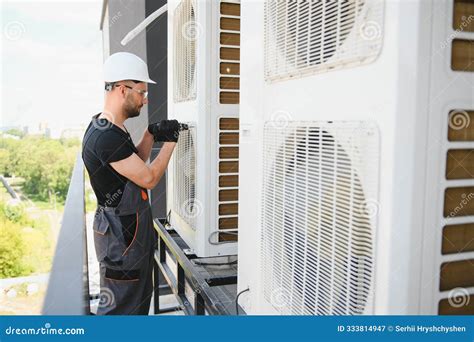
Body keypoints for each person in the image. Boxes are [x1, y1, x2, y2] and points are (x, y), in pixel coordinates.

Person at [82, 52, 180, 315]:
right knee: (122, 309)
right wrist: (170, 142)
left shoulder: (108, 126)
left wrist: (150, 134)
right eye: (142, 92)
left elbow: (132, 162)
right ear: (123, 89)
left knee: (135, 302)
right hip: (122, 237)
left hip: (127, 231)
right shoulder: (106, 138)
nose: (145, 99)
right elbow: (148, 177)